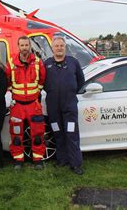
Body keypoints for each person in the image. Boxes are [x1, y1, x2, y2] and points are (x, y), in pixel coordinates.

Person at [44, 36, 85, 175]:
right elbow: (43, 83)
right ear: (52, 48)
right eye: (56, 46)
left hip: (69, 106)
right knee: (58, 133)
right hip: (53, 107)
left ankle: (76, 164)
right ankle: (62, 160)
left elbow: (81, 81)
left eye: (61, 45)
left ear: (65, 47)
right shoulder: (47, 64)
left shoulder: (73, 62)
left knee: (71, 134)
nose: (59, 48)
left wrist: (70, 91)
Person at [6, 35, 46, 170]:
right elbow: (7, 82)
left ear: (30, 46)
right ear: (18, 46)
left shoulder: (38, 62)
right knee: (16, 134)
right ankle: (18, 160)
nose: (24, 48)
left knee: (38, 133)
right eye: (22, 45)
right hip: (17, 105)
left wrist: (35, 93)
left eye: (26, 45)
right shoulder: (11, 63)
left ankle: (38, 159)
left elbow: (42, 80)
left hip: (33, 105)